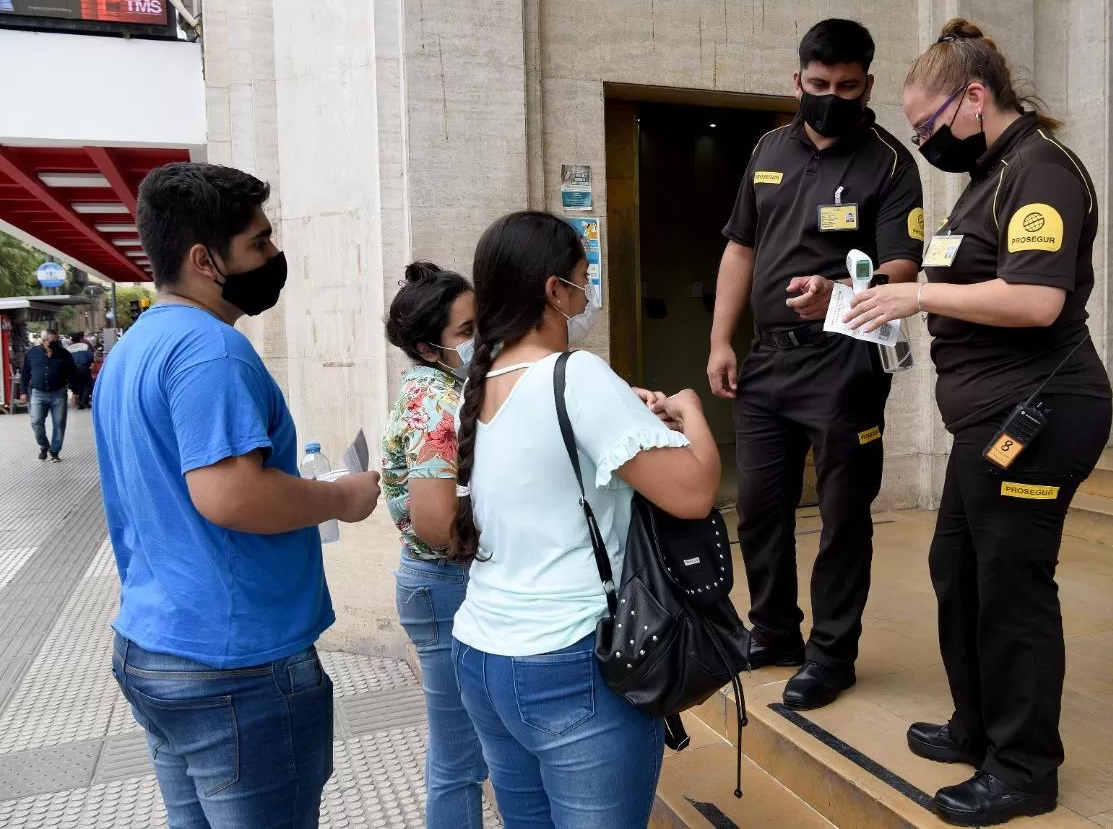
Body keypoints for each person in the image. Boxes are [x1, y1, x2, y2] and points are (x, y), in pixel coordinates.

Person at [844, 19, 1112, 826]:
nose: (925, 141)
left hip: (1041, 413)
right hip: (986, 423)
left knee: (1012, 590)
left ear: (973, 96)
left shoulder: (1043, 172)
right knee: (957, 574)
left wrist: (918, 295)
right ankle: (978, 726)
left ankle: (1025, 768)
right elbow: (962, 281)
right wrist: (864, 300)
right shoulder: (990, 176)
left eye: (928, 126)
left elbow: (1036, 301)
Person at [94, 162, 382, 828]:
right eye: (258, 242)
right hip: (235, 667)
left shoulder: (136, 348)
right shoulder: (211, 352)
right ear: (204, 259)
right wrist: (340, 497)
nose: (274, 256)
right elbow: (230, 496)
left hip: (156, 646)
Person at [449, 211, 721, 829]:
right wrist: (690, 409)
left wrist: (631, 409)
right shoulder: (576, 374)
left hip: (482, 653)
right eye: (581, 278)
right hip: (570, 661)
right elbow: (695, 491)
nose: (586, 294)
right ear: (554, 291)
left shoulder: (478, 381)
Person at [708, 18, 926, 710]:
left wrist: (842, 292)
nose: (832, 96)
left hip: (846, 362)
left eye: (848, 87)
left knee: (842, 516)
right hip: (768, 361)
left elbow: (902, 266)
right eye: (819, 84)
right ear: (796, 78)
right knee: (760, 509)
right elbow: (741, 248)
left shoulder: (891, 163)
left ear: (868, 85)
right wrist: (720, 340)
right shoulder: (769, 148)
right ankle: (773, 632)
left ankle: (833, 654)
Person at [381, 261, 488, 829]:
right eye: (466, 332)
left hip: (438, 585)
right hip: (445, 586)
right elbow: (436, 524)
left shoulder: (448, 386)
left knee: (462, 751)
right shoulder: (435, 400)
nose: (480, 339)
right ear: (428, 348)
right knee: (459, 758)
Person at [20, 328, 75, 462]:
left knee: (59, 424)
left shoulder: (64, 354)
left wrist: (75, 392)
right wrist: (23, 392)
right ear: (44, 341)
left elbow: (72, 373)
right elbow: (25, 373)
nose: (56, 343)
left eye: (57, 341)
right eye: (53, 341)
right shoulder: (32, 353)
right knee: (36, 422)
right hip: (38, 393)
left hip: (59, 393)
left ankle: (54, 452)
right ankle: (44, 446)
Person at [65, 331, 95, 409]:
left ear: (72, 340)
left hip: (73, 369)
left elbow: (66, 360)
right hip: (84, 367)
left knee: (78, 385)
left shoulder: (68, 348)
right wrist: (91, 363)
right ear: (80, 338)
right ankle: (83, 402)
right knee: (87, 384)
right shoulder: (84, 346)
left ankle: (82, 401)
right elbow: (90, 356)